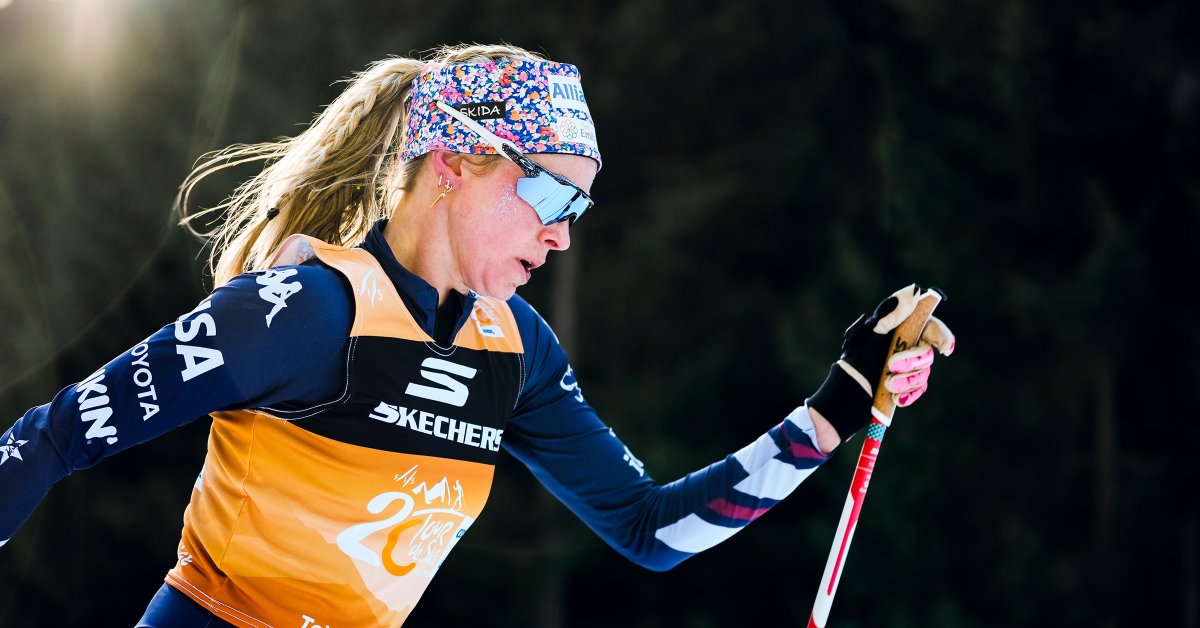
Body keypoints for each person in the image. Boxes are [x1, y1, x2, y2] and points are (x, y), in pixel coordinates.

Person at [0, 43, 954, 627]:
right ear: (455, 162)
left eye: (579, 207)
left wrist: (838, 402)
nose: (563, 233)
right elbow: (50, 438)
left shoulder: (515, 349)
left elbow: (650, 531)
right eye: (549, 196)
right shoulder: (305, 311)